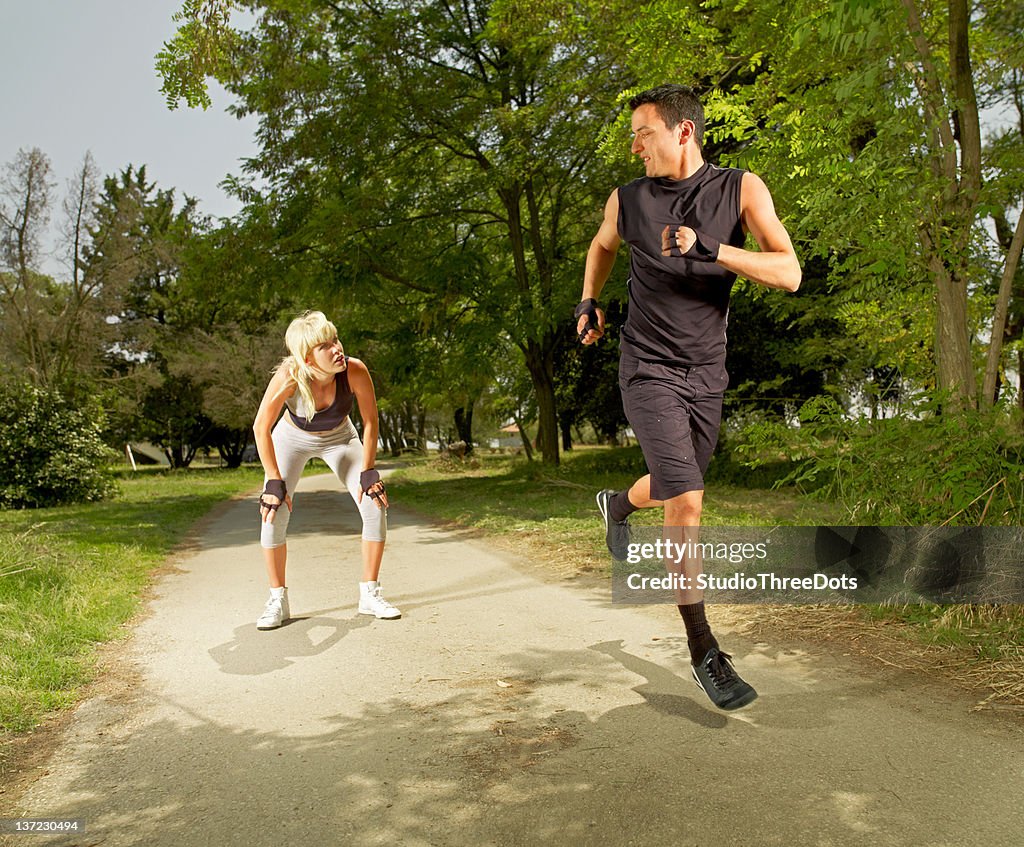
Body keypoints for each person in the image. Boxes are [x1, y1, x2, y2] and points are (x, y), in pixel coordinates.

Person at [577, 84, 801, 710]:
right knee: (689, 499)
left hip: (707, 373)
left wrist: (713, 249)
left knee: (676, 484)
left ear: (682, 133)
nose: (634, 146)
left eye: (643, 134)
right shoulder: (628, 200)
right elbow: (601, 245)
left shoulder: (740, 189)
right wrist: (589, 300)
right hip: (645, 367)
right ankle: (705, 650)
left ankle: (617, 505)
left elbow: (789, 273)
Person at [252, 310, 399, 629]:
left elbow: (371, 421)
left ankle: (369, 594)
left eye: (336, 339)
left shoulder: (355, 371)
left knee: (373, 503)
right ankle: (278, 598)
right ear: (307, 357)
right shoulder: (290, 376)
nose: (337, 348)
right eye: (325, 345)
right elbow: (261, 426)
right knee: (273, 512)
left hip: (341, 437)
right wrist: (274, 482)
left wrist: (368, 470)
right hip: (292, 437)